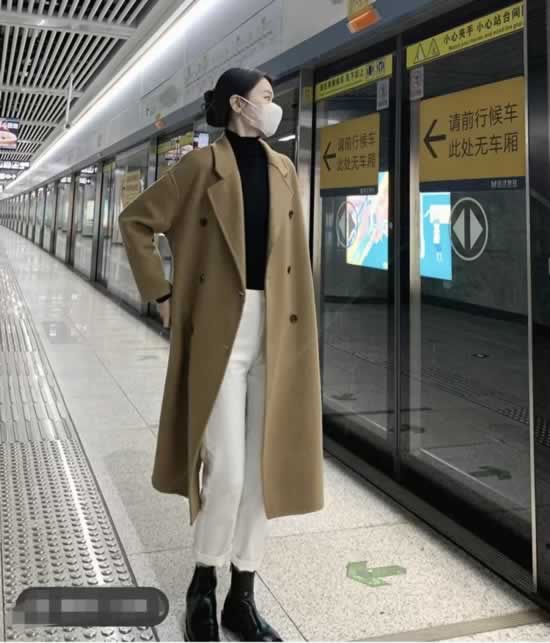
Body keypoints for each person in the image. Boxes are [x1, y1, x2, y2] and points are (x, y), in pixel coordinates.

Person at [118, 67, 325, 642]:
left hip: (277, 329)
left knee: (264, 470)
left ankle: (243, 594)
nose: (273, 106)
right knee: (228, 471)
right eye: (266, 97)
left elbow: (293, 258)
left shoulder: (284, 169)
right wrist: (161, 294)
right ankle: (202, 585)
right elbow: (136, 222)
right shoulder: (200, 166)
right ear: (239, 104)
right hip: (220, 332)